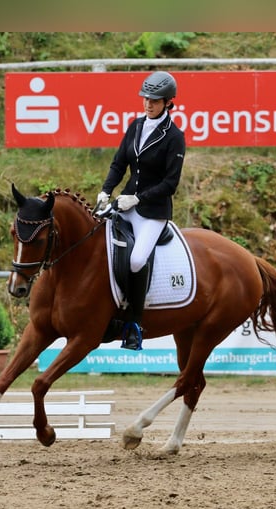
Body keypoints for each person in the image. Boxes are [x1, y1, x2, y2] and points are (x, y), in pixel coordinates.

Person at [97, 71, 186, 350]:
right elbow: (118, 164)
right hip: (124, 202)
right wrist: (106, 190)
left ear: (168, 102)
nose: (148, 104)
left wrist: (137, 199)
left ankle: (134, 323)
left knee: (136, 260)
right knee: (95, 239)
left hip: (153, 211)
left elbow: (170, 183)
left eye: (155, 100)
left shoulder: (174, 137)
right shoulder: (135, 126)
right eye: (146, 98)